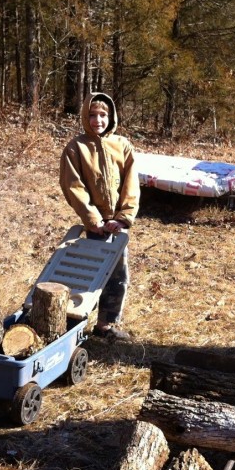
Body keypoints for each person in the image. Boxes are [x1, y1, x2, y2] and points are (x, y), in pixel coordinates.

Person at [59, 92, 140, 340]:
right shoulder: (76, 148)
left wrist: (122, 218)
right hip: (94, 227)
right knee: (85, 274)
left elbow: (131, 184)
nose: (98, 120)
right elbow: (73, 187)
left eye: (103, 115)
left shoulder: (123, 145)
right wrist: (93, 220)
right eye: (92, 115)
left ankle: (106, 325)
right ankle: (72, 323)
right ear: (85, 116)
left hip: (117, 226)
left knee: (118, 276)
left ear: (111, 117)